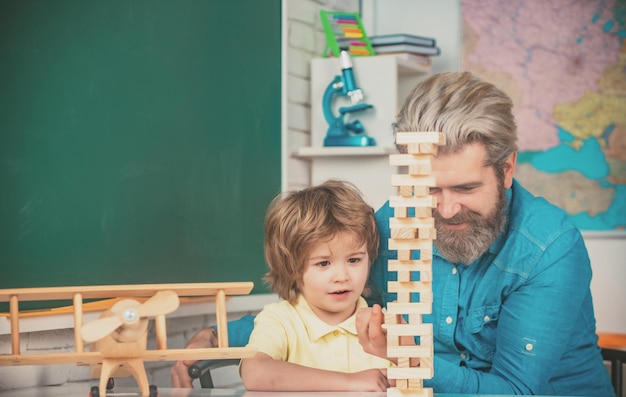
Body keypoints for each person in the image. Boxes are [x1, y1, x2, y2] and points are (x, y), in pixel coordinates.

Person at [171, 72, 614, 396]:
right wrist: (215, 335)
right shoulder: (392, 224)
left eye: (465, 188)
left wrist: (404, 358)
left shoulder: (548, 249)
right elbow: (319, 305)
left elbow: (515, 392)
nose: (445, 208)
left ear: (507, 170)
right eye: (428, 190)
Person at [244, 180, 392, 391]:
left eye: (354, 260)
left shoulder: (382, 323)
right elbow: (255, 372)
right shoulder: (280, 320)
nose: (342, 276)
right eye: (323, 263)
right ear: (292, 268)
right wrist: (350, 382)